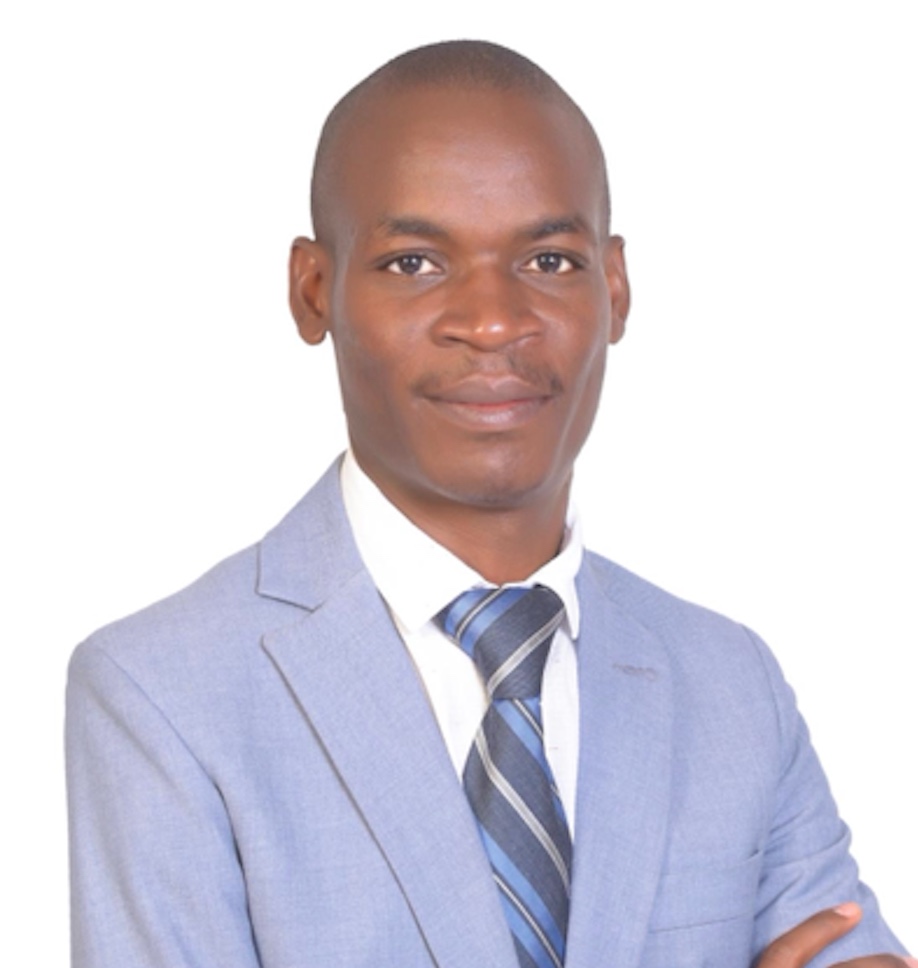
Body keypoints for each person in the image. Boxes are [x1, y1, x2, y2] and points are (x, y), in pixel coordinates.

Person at [65, 40, 911, 968]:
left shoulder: (731, 684)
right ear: (314, 291)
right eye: (414, 263)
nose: (495, 320)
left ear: (615, 288)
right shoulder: (161, 695)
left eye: (548, 259)